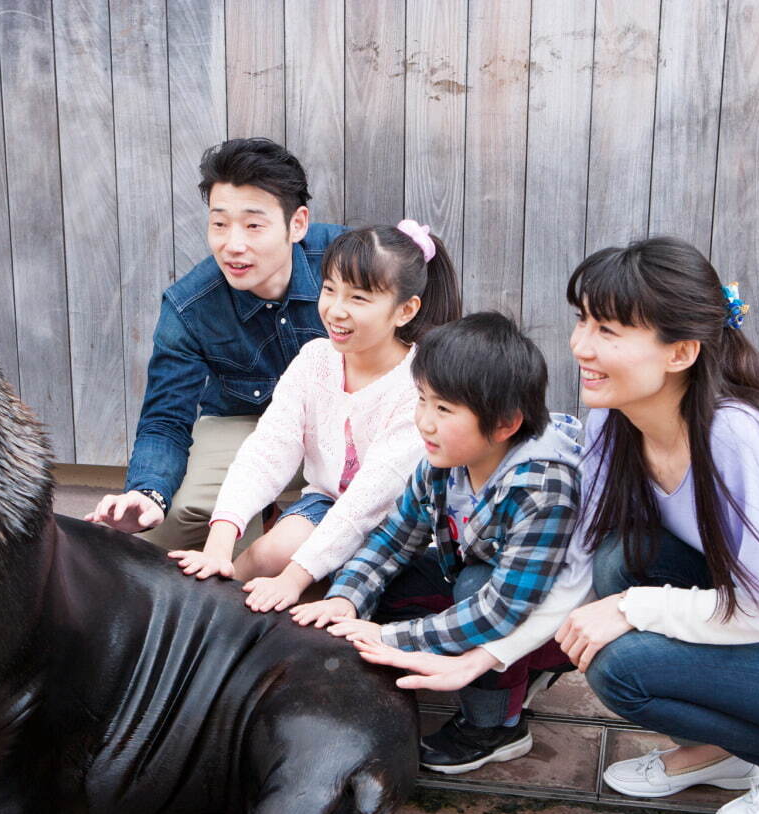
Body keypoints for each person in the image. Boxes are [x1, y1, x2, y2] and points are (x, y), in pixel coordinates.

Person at [374, 237, 759, 814]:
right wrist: (481, 660)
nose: (581, 346)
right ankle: (717, 749)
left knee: (622, 666)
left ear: (681, 352)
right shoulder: (612, 421)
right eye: (582, 320)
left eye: (609, 330)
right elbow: (577, 572)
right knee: (621, 560)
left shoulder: (739, 436)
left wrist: (634, 608)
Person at [290, 312, 583, 774]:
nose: (425, 421)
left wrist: (393, 637)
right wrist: (347, 599)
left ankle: (496, 727)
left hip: (554, 623)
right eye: (422, 400)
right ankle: (496, 676)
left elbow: (501, 609)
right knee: (370, 583)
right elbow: (392, 538)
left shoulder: (541, 487)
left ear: (505, 423)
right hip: (489, 586)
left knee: (473, 587)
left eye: (444, 409)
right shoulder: (445, 459)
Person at [166, 223, 461, 614]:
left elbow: (366, 504)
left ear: (405, 310)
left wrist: (293, 580)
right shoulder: (316, 360)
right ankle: (204, 616)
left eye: (358, 297)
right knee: (272, 551)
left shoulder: (419, 387)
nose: (336, 310)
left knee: (309, 590)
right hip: (327, 502)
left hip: (399, 527)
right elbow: (268, 450)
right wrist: (219, 544)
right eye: (329, 290)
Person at [86, 138, 345, 551]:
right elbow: (166, 417)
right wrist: (147, 492)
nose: (233, 244)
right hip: (247, 423)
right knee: (158, 532)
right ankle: (262, 517)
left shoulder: (347, 259)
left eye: (253, 225)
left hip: (350, 417)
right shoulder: (189, 307)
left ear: (297, 224)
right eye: (219, 223)